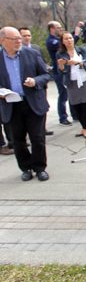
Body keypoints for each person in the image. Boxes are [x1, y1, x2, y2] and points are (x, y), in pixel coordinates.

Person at [0, 26, 51, 181]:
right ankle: (26, 168)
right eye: (14, 39)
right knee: (17, 141)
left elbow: (46, 75)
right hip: (11, 104)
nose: (18, 41)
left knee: (37, 138)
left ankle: (40, 168)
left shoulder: (32, 54)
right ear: (3, 40)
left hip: (33, 102)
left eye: (19, 38)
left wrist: (35, 81)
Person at [56, 31, 86, 139]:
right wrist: (62, 66)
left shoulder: (81, 49)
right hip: (71, 81)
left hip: (84, 80)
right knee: (76, 105)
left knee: (85, 105)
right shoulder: (60, 53)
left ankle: (85, 128)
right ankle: (83, 127)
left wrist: (79, 63)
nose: (69, 40)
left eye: (70, 38)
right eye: (66, 39)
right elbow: (61, 71)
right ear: (62, 41)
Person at [19, 26, 54, 137]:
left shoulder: (35, 48)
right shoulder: (17, 52)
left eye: (29, 35)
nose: (27, 38)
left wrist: (46, 67)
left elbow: (41, 65)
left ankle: (42, 128)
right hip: (24, 90)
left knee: (41, 108)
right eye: (24, 36)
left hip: (39, 84)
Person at [46, 21, 72, 126]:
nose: (60, 29)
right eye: (58, 27)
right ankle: (63, 117)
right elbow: (65, 46)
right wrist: (76, 34)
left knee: (70, 94)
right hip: (59, 72)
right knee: (63, 95)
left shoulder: (57, 39)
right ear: (52, 28)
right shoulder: (51, 41)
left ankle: (75, 115)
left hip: (69, 71)